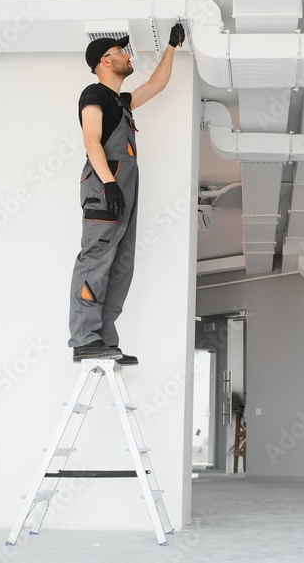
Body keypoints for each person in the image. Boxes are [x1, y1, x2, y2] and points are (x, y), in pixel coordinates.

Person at [68, 23, 186, 364]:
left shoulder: (122, 101)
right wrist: (107, 183)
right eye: (121, 52)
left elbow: (156, 85)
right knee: (96, 258)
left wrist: (171, 47)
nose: (127, 55)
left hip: (124, 189)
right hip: (107, 186)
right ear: (104, 61)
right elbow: (92, 140)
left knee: (121, 265)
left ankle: (103, 338)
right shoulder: (94, 94)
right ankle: (83, 337)